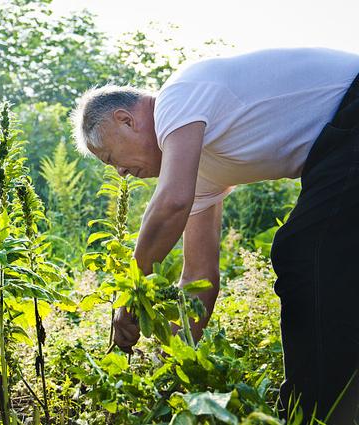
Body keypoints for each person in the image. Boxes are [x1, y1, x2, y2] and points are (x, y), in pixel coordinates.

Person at [70, 47, 359, 424]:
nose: (120, 173)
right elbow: (200, 280)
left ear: (126, 120)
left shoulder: (177, 96)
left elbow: (171, 203)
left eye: (110, 158)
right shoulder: (200, 171)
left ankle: (319, 415)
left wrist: (132, 292)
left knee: (307, 254)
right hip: (339, 146)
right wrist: (169, 365)